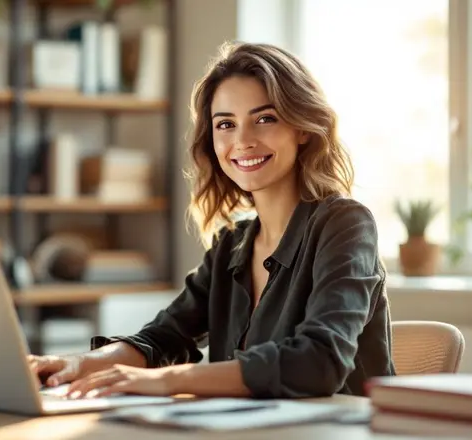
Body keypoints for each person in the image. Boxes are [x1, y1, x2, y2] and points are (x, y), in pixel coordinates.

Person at [28, 41, 395, 400]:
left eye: (265, 119)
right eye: (225, 124)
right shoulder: (231, 244)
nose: (243, 140)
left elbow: (320, 362)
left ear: (302, 127)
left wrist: (172, 380)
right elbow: (163, 338)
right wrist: (77, 363)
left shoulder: (345, 224)